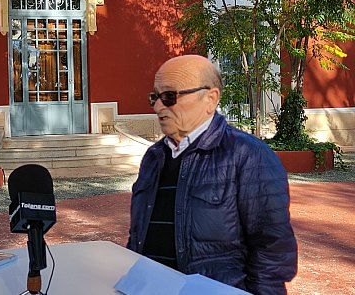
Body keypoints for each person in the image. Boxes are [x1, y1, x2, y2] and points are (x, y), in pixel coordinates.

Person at [127, 55, 297, 294]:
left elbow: (272, 248)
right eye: (155, 97)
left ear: (210, 98)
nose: (158, 107)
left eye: (169, 96)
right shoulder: (153, 157)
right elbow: (137, 236)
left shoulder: (249, 155)